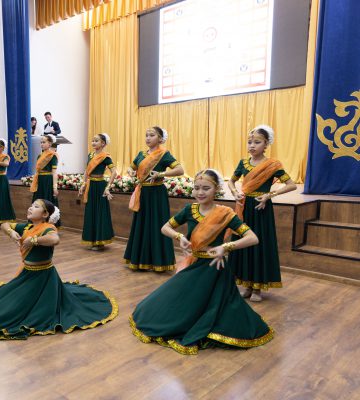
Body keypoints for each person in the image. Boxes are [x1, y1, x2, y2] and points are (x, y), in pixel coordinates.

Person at [130, 169, 273, 355]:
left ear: (216, 190)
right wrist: (179, 237)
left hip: (215, 267)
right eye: (197, 188)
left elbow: (253, 238)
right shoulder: (189, 210)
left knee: (211, 306)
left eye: (206, 188)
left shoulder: (226, 214)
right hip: (194, 264)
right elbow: (165, 227)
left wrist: (226, 247)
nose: (200, 192)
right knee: (166, 303)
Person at [0, 199, 118, 339]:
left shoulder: (48, 228)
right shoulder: (27, 227)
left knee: (24, 310)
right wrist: (10, 233)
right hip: (27, 274)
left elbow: (55, 240)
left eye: (36, 206)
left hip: (44, 278)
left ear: (45, 215)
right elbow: (5, 224)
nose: (30, 208)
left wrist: (34, 241)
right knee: (4, 302)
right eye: (31, 205)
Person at [227, 125, 296, 302]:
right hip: (244, 208)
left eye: (257, 142)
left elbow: (291, 185)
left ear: (266, 144)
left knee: (259, 244)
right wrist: (235, 193)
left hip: (261, 209)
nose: (252, 145)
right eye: (249, 142)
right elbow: (231, 182)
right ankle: (247, 285)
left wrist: (269, 195)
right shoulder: (243, 163)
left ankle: (257, 288)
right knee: (244, 243)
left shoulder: (272, 165)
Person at [123, 126, 184, 272]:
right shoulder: (141, 154)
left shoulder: (164, 154)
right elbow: (130, 168)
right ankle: (140, 260)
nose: (148, 138)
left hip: (157, 194)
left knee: (157, 225)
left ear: (160, 139)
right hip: (143, 193)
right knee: (142, 225)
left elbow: (180, 170)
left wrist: (161, 174)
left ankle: (159, 262)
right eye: (146, 135)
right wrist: (131, 172)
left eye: (152, 135)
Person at [79, 133, 117, 250]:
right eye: (93, 140)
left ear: (103, 143)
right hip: (91, 186)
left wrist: (108, 187)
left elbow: (114, 172)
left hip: (100, 186)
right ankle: (92, 239)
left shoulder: (106, 157)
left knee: (100, 212)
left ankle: (100, 241)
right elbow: (87, 171)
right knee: (91, 212)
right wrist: (83, 184)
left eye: (96, 141)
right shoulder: (90, 155)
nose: (93, 143)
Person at [30, 134, 60, 227]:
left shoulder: (52, 155)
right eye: (41, 142)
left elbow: (54, 172)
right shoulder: (39, 156)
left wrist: (54, 187)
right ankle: (37, 224)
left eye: (44, 142)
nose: (42, 144)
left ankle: (48, 225)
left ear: (50, 143)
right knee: (38, 202)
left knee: (47, 202)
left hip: (48, 181)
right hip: (40, 181)